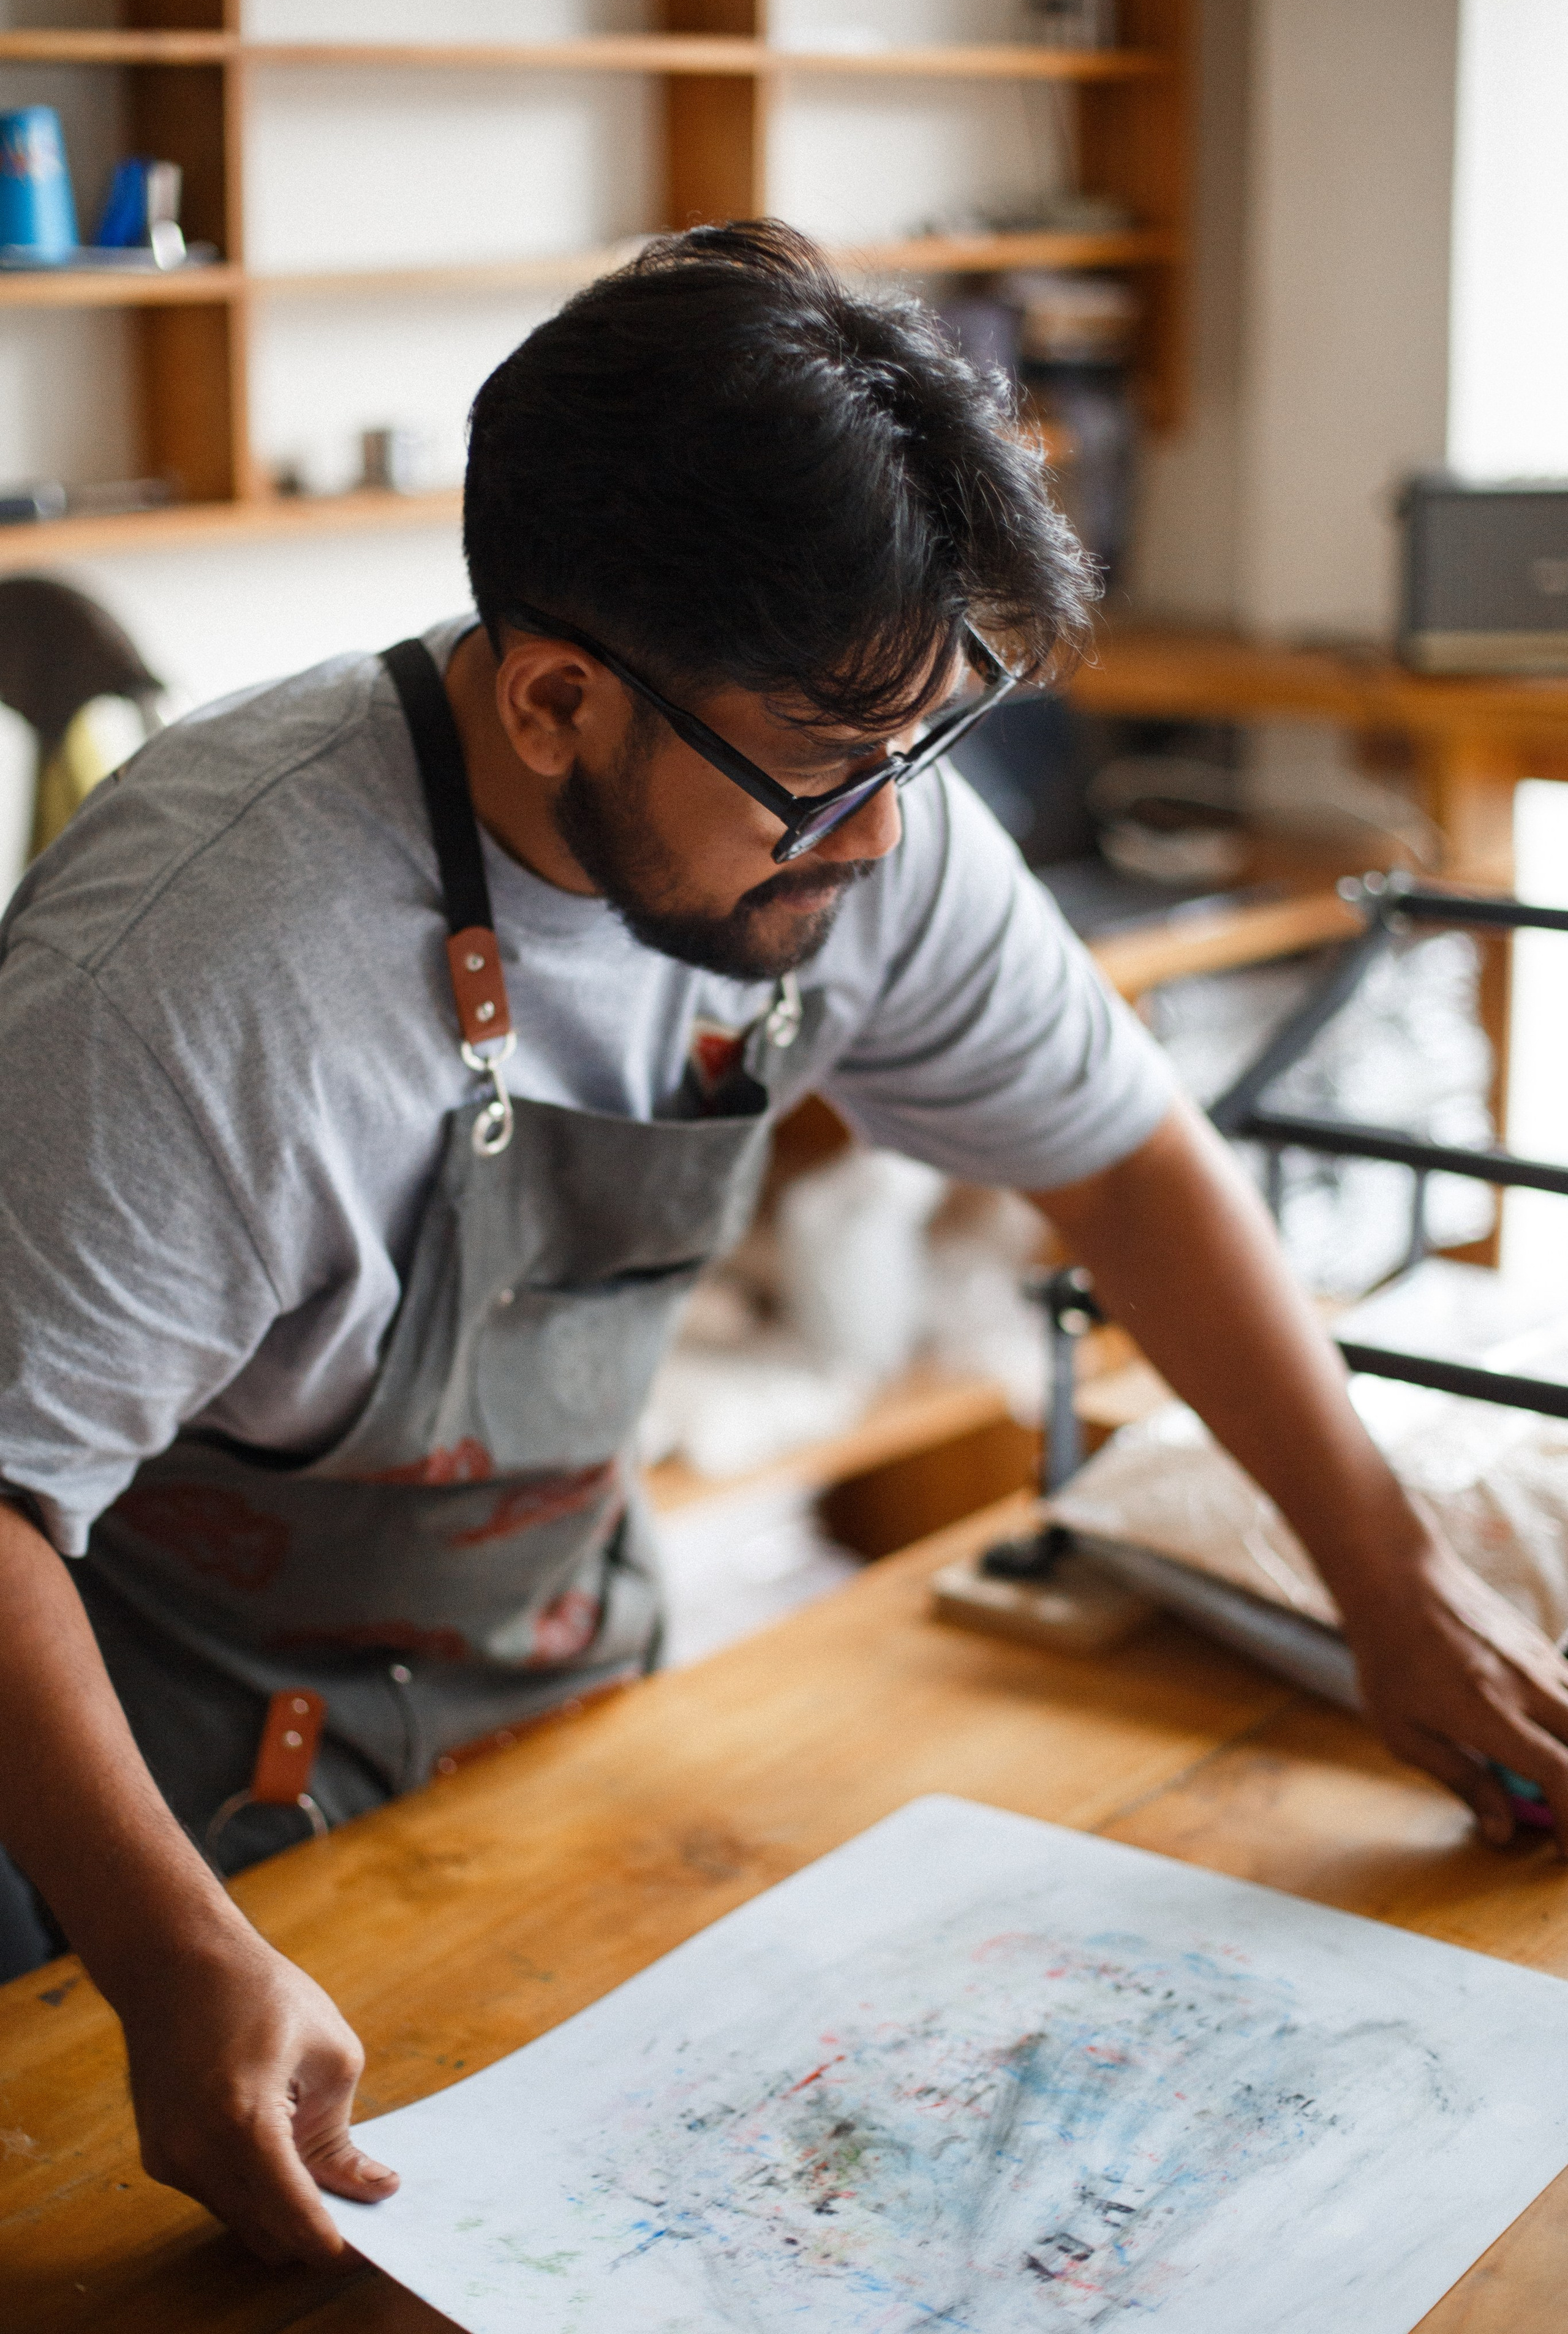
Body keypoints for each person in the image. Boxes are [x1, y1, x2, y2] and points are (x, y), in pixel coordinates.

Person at [2, 221, 1567, 2268]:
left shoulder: (849, 790)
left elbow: (1122, 1160)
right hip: (158, 1823)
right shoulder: (209, 971)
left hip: (570, 1704)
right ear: (557, 697)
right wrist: (168, 1957)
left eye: (925, 747)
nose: (892, 839)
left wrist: (1382, 1574)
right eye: (833, 777)